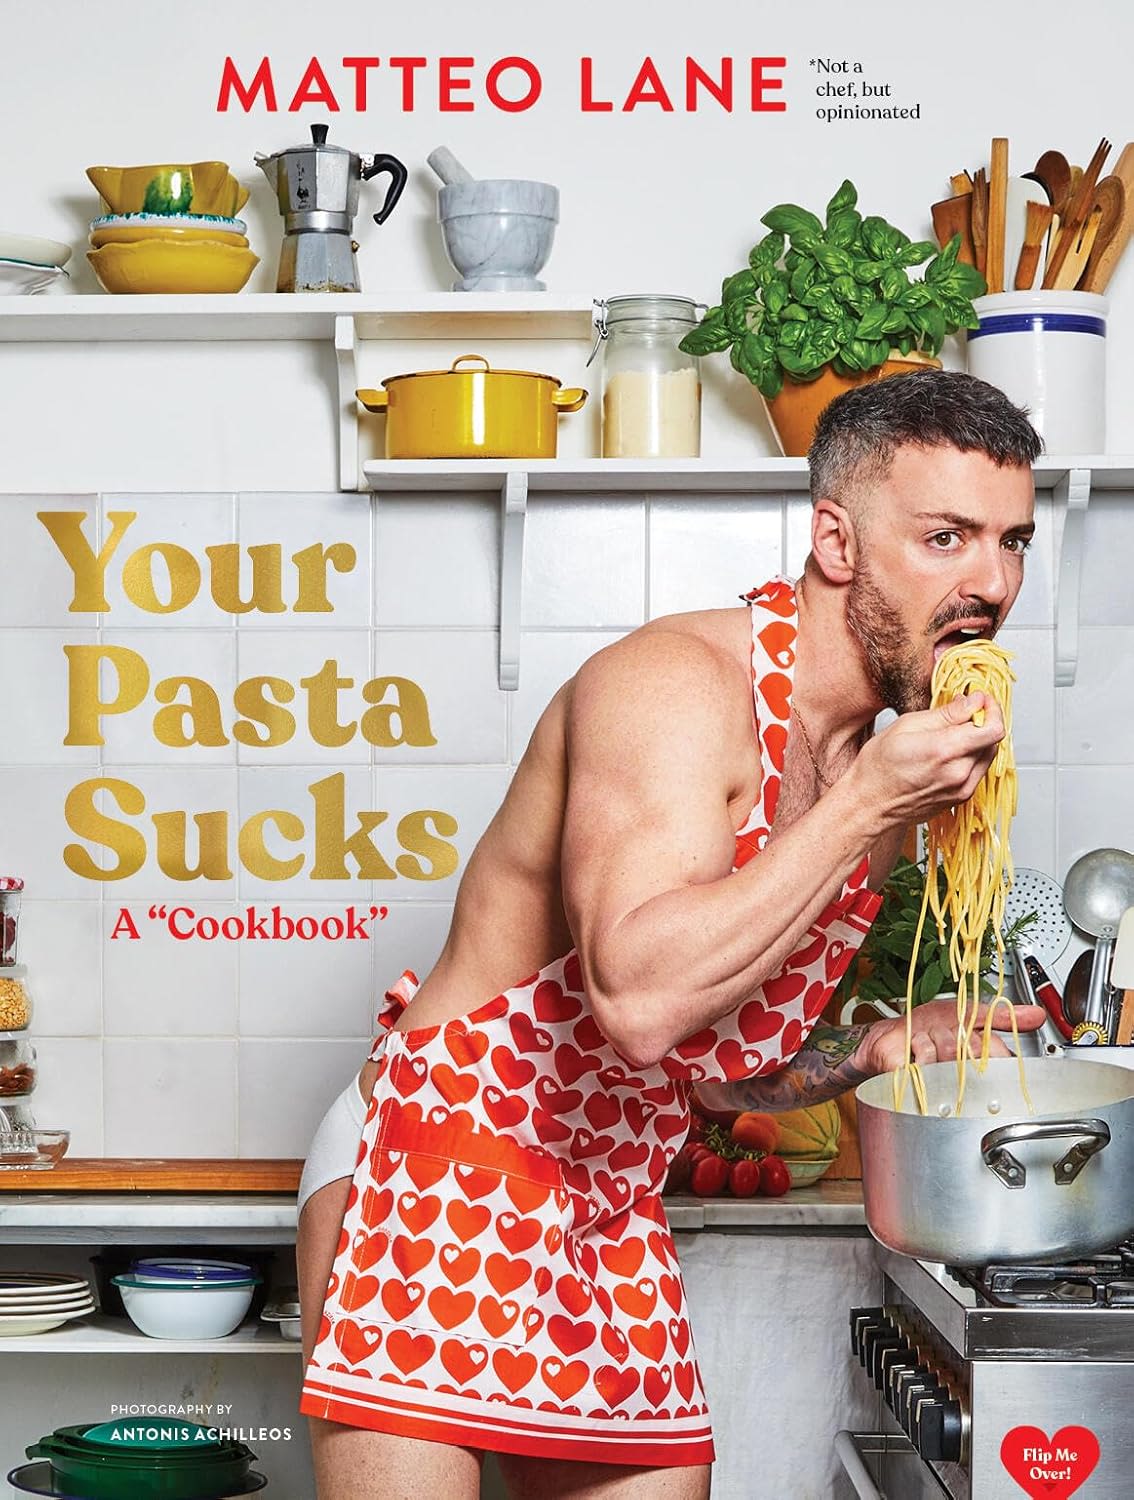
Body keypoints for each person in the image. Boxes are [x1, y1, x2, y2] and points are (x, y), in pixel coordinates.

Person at [295, 368, 1048, 1500]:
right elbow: (639, 1003)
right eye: (947, 538)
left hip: (607, 1203)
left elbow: (699, 1068)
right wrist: (863, 808)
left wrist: (871, 1049)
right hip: (439, 1159)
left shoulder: (871, 778)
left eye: (1012, 542)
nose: (990, 584)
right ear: (836, 542)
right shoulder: (676, 687)